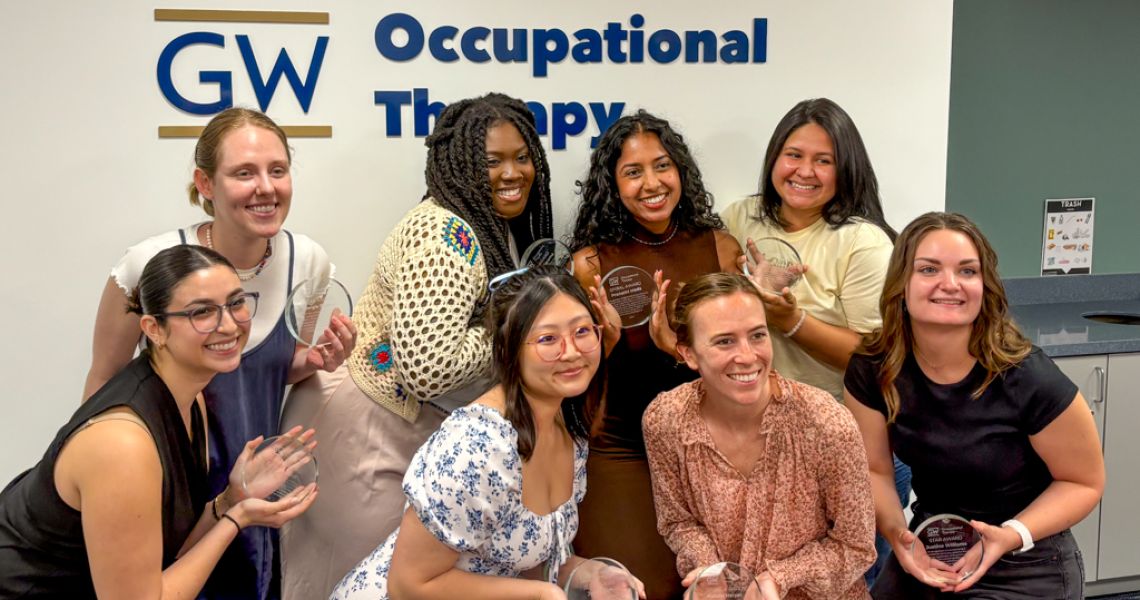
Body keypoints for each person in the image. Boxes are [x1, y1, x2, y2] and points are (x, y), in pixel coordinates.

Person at [279, 93, 555, 598]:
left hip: (398, 424)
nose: (513, 172)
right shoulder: (447, 230)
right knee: (349, 582)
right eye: (491, 161)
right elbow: (429, 365)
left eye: (522, 156)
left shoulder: (492, 227)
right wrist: (517, 330)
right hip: (365, 425)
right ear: (462, 165)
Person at [83, 108, 355, 599]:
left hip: (251, 482)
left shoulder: (307, 261)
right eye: (244, 173)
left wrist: (314, 362)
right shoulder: (149, 264)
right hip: (168, 487)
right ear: (205, 183)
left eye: (277, 170)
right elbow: (104, 382)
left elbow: (270, 368)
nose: (266, 187)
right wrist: (99, 488)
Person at [0, 245, 318, 598]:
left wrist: (230, 500)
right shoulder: (123, 445)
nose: (228, 325)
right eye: (202, 312)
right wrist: (236, 518)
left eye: (236, 303)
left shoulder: (189, 395)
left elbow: (171, 554)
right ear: (154, 329)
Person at [331, 265, 643, 600]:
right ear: (509, 351)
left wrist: (588, 572)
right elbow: (408, 585)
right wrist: (539, 594)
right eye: (548, 339)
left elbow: (513, 557)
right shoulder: (476, 447)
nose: (571, 351)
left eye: (582, 331)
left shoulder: (569, 428)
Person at [843, 212, 1104, 598]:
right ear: (901, 283)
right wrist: (898, 536)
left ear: (984, 286)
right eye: (929, 269)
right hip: (936, 545)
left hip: (1023, 555)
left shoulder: (1027, 376)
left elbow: (1084, 482)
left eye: (967, 271)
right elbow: (875, 469)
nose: (950, 284)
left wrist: (1010, 536)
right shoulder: (874, 367)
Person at [720, 98, 905, 582]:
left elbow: (875, 357)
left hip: (845, 448)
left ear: (846, 171)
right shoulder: (740, 219)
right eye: (793, 155)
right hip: (759, 446)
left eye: (824, 161)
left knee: (845, 583)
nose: (805, 171)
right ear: (773, 159)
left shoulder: (863, 242)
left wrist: (790, 320)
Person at [567, 110, 741, 600]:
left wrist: (680, 352)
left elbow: (743, 364)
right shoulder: (590, 263)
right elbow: (568, 382)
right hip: (621, 447)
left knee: (710, 588)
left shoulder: (720, 249)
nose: (652, 183)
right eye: (633, 172)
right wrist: (607, 344)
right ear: (612, 184)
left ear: (680, 170)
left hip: (710, 449)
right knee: (637, 587)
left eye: (662, 166)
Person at [643, 272, 875, 600]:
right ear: (689, 354)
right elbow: (678, 522)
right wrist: (715, 575)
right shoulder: (665, 420)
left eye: (757, 335)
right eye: (725, 341)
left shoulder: (826, 424)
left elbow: (855, 547)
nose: (749, 356)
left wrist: (778, 580)